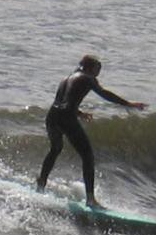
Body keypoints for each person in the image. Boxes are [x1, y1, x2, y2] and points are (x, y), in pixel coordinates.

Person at [37, 55, 147, 208]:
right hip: (66, 118)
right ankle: (90, 200)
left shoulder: (66, 78)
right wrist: (128, 104)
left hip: (52, 116)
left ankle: (40, 186)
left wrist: (80, 114)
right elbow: (104, 93)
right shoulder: (88, 78)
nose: (98, 74)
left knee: (55, 149)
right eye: (97, 69)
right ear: (90, 67)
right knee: (87, 156)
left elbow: (62, 102)